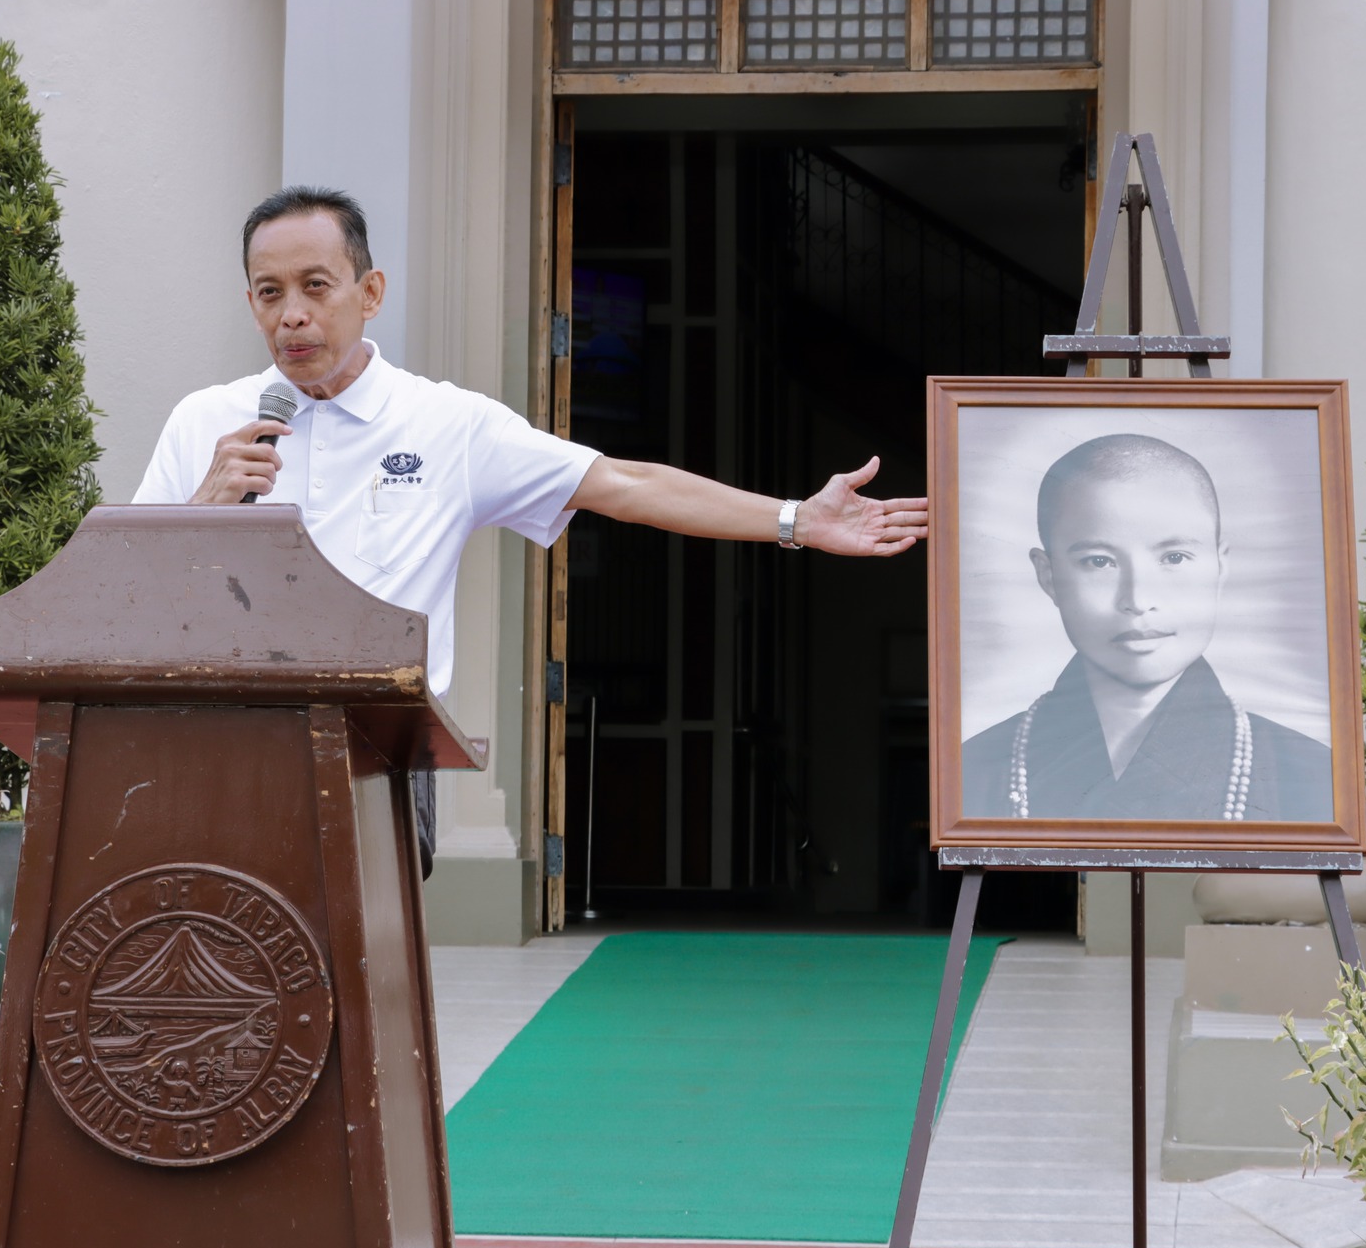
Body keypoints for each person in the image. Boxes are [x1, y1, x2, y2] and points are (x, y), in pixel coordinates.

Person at [135, 186, 929, 869]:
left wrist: (794, 518)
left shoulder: (447, 423)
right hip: (219, 749)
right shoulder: (205, 422)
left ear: (370, 290)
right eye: (270, 293)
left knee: (354, 994)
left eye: (316, 285)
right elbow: (126, 602)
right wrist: (202, 511)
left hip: (372, 757)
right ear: (250, 302)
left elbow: (624, 484)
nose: (293, 315)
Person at [961, 433, 1330, 822]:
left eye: (1174, 557)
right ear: (1048, 576)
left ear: (1221, 566)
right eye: (1099, 562)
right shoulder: (974, 770)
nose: (1137, 600)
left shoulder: (1310, 773)